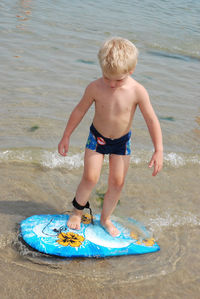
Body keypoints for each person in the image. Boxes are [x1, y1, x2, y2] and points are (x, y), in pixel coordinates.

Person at [58, 37, 163, 237]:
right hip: (97, 138)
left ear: (131, 70)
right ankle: (77, 213)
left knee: (117, 182)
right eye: (107, 78)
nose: (112, 84)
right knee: (90, 177)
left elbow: (151, 119)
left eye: (118, 79)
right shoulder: (95, 87)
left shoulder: (137, 91)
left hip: (122, 143)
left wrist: (158, 149)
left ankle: (105, 219)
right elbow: (79, 110)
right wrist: (66, 136)